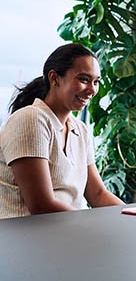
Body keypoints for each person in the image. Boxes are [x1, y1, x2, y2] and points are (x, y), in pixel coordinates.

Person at [0, 43, 123, 219]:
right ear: (54, 78)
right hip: (28, 240)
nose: (92, 90)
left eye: (96, 82)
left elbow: (98, 195)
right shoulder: (30, 119)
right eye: (84, 79)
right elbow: (41, 206)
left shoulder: (79, 129)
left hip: (67, 233)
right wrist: (94, 225)